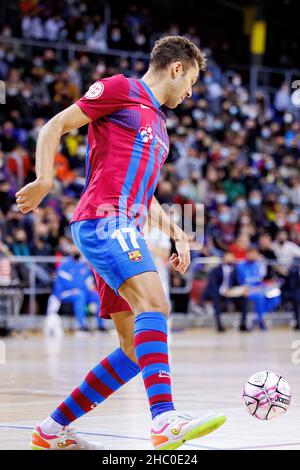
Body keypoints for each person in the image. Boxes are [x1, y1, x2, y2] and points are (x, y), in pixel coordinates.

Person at [16, 35, 226, 451]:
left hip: (122, 225)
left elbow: (143, 195)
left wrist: (177, 231)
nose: (190, 94)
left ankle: (52, 429)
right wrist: (45, 179)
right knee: (156, 303)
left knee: (132, 351)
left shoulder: (161, 128)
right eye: (192, 82)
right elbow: (54, 125)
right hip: (102, 221)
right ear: (178, 67)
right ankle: (164, 419)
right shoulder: (120, 89)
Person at [47, 247, 106, 332]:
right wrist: (80, 288)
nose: (76, 251)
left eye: (78, 250)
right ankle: (81, 326)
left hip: (83, 292)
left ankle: (101, 327)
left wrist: (91, 288)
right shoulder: (64, 265)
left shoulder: (84, 266)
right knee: (80, 295)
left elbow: (90, 283)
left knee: (98, 296)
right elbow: (66, 284)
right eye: (74, 250)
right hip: (64, 293)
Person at [202, 252, 249, 332]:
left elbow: (236, 283)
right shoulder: (216, 270)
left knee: (244, 298)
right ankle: (219, 325)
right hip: (218, 293)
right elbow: (213, 285)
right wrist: (223, 291)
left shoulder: (234, 270)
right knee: (215, 298)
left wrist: (241, 290)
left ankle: (243, 324)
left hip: (230, 293)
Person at [236, 248, 281, 330]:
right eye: (251, 254)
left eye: (255, 254)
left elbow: (261, 278)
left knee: (276, 295)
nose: (253, 256)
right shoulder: (241, 265)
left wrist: (262, 263)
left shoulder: (258, 264)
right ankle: (260, 320)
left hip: (260, 288)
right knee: (260, 297)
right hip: (247, 289)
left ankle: (257, 317)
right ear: (247, 254)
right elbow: (239, 281)